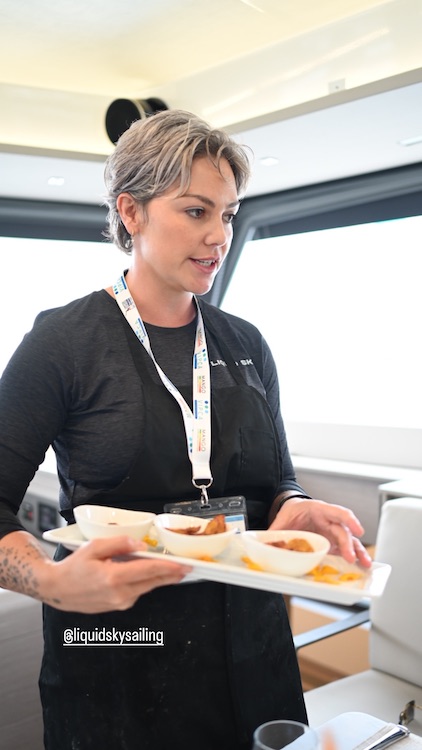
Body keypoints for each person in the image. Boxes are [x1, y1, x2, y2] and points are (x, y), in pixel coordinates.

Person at [0, 110, 371, 750]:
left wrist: (298, 506)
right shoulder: (63, 341)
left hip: (250, 644)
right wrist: (52, 581)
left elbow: (277, 479)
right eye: (196, 211)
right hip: (117, 646)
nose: (219, 236)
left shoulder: (246, 343)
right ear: (132, 212)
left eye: (228, 215)